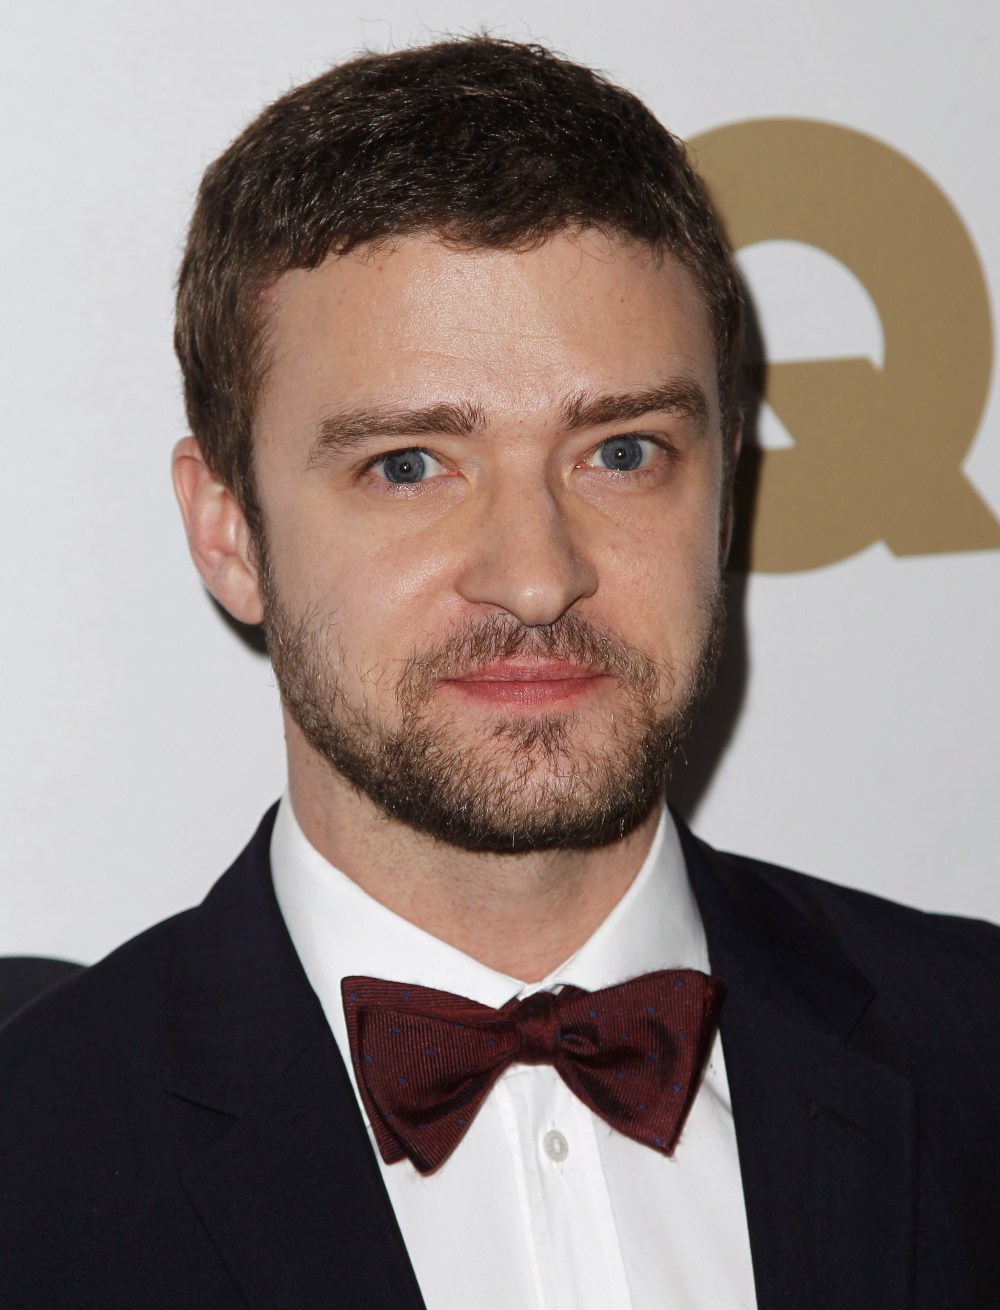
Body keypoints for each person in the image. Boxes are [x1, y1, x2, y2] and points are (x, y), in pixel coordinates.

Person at [0, 36, 997, 1310]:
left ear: (727, 489)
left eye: (621, 451)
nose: (537, 577)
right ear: (228, 530)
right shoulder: (35, 1165)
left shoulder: (977, 1051)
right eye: (409, 464)